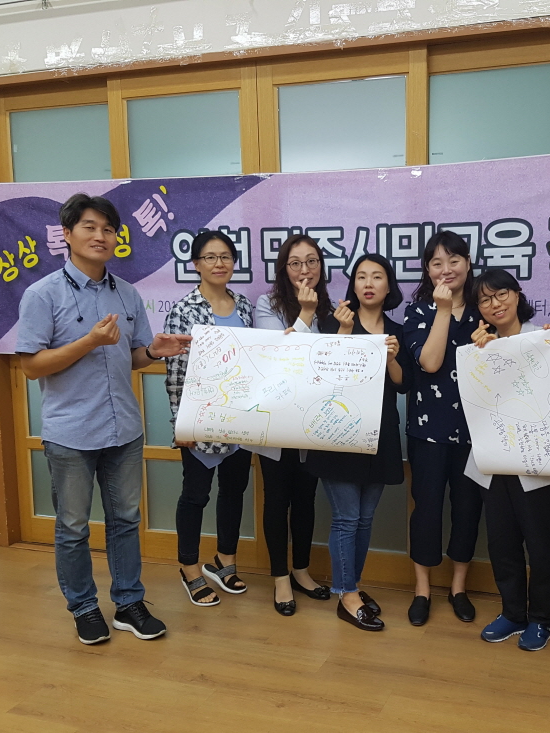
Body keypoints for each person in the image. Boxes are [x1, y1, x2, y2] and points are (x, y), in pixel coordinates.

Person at [17, 193, 191, 645]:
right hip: (71, 433)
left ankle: (129, 603)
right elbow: (31, 365)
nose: (100, 236)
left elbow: (131, 356)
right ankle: (83, 607)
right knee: (73, 527)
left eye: (108, 229)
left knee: (126, 520)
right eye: (89, 227)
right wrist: (88, 342)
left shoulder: (126, 293)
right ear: (67, 234)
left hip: (123, 429)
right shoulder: (42, 294)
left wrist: (153, 351)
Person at [305, 254, 412, 631]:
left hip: (380, 434)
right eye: (361, 276)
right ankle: (347, 594)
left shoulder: (397, 330)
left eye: (377, 276)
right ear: (353, 285)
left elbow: (403, 384)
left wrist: (392, 357)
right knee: (347, 518)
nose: (368, 283)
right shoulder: (334, 322)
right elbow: (323, 377)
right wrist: (344, 334)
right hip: (339, 432)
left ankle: (352, 585)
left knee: (365, 519)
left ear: (388, 286)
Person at [468, 269, 550, 651]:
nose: (495, 304)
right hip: (494, 459)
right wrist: (480, 357)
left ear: (517, 294)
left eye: (501, 294)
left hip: (536, 460)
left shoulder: (543, 338)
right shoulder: (478, 347)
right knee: (501, 542)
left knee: (539, 543)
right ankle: (512, 612)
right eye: (485, 299)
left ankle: (541, 618)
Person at [164, 230, 254, 607]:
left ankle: (224, 561)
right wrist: (181, 425)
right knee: (196, 495)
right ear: (196, 264)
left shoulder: (244, 305)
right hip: (201, 420)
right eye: (210, 257)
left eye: (226, 257)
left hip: (241, 419)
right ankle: (189, 568)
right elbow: (175, 374)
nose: (219, 264)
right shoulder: (185, 310)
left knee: (234, 491)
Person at [402, 230, 484, 626]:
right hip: (428, 430)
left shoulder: (485, 310)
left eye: (454, 260)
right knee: (427, 510)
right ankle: (422, 590)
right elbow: (430, 362)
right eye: (437, 262)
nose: (446, 269)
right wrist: (443, 310)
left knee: (467, 510)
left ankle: (458, 587)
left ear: (468, 263)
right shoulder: (417, 311)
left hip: (477, 432)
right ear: (427, 269)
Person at [255, 234, 333, 616]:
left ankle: (301, 570)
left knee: (306, 499)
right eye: (296, 262)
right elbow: (280, 358)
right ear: (284, 268)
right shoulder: (266, 304)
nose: (305, 269)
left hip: (315, 423)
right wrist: (305, 313)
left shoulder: (332, 308)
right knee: (277, 499)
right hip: (276, 422)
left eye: (312, 261)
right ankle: (280, 577)